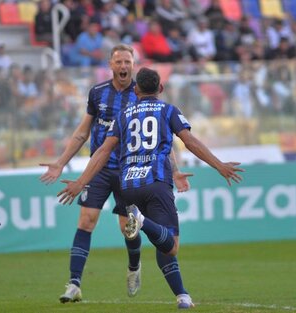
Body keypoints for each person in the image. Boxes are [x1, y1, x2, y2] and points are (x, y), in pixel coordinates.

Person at [57, 67, 244, 309]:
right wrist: (218, 165)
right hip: (156, 183)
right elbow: (189, 141)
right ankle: (142, 222)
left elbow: (103, 151)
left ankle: (182, 296)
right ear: (161, 89)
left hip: (128, 186)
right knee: (171, 245)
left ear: (136, 90)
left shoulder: (122, 115)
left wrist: (81, 182)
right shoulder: (168, 110)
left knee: (160, 240)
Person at [40, 44, 192, 304]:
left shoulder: (141, 93)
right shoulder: (97, 93)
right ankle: (74, 283)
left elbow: (159, 139)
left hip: (131, 170)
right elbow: (82, 132)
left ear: (133, 65)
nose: (123, 66)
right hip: (99, 169)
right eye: (119, 61)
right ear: (110, 65)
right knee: (86, 221)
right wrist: (60, 162)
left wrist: (175, 171)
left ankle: (134, 266)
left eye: (127, 62)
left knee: (126, 228)